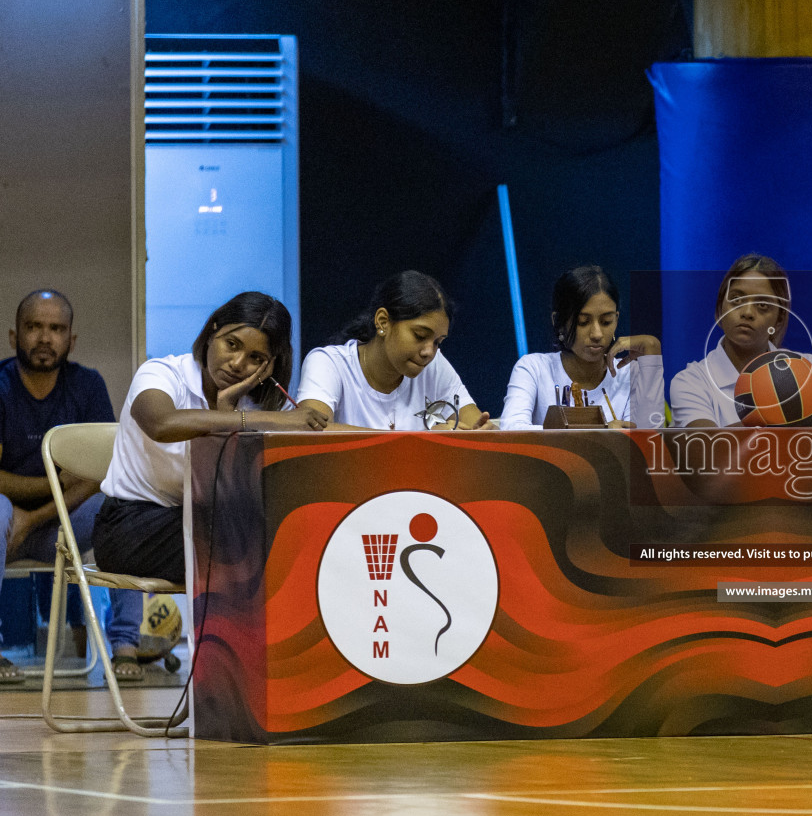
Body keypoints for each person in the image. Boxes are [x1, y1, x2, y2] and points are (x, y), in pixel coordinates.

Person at [95, 292, 323, 679]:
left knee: (290, 534)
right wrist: (232, 420)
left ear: (270, 366)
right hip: (130, 528)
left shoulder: (263, 404)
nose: (237, 364)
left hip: (202, 522)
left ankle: (261, 677)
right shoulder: (163, 373)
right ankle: (232, 679)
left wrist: (234, 414)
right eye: (231, 345)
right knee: (250, 542)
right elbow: (161, 424)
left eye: (256, 358)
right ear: (212, 331)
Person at [0, 290, 139, 683]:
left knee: (125, 500)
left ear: (71, 340)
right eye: (34, 327)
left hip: (61, 525)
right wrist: (50, 482)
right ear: (14, 336)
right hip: (5, 523)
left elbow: (100, 474)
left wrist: (36, 516)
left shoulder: (87, 386)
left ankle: (126, 643)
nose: (45, 338)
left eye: (56, 328)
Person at [295, 271, 494, 431]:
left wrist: (480, 434)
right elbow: (311, 433)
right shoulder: (328, 363)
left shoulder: (434, 366)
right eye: (419, 335)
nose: (429, 352)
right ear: (383, 322)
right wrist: (425, 443)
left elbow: (477, 427)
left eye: (438, 342)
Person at [670, 254, 812, 427]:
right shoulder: (691, 380)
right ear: (720, 308)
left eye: (762, 305)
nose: (747, 312)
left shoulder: (810, 367)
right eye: (736, 300)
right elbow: (707, 446)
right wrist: (788, 417)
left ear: (779, 319)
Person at [500, 265, 664, 429]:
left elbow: (648, 442)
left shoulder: (630, 374)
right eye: (583, 322)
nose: (597, 334)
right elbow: (511, 430)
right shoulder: (534, 369)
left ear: (617, 319)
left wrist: (652, 351)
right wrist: (601, 431)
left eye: (606, 321)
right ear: (559, 322)